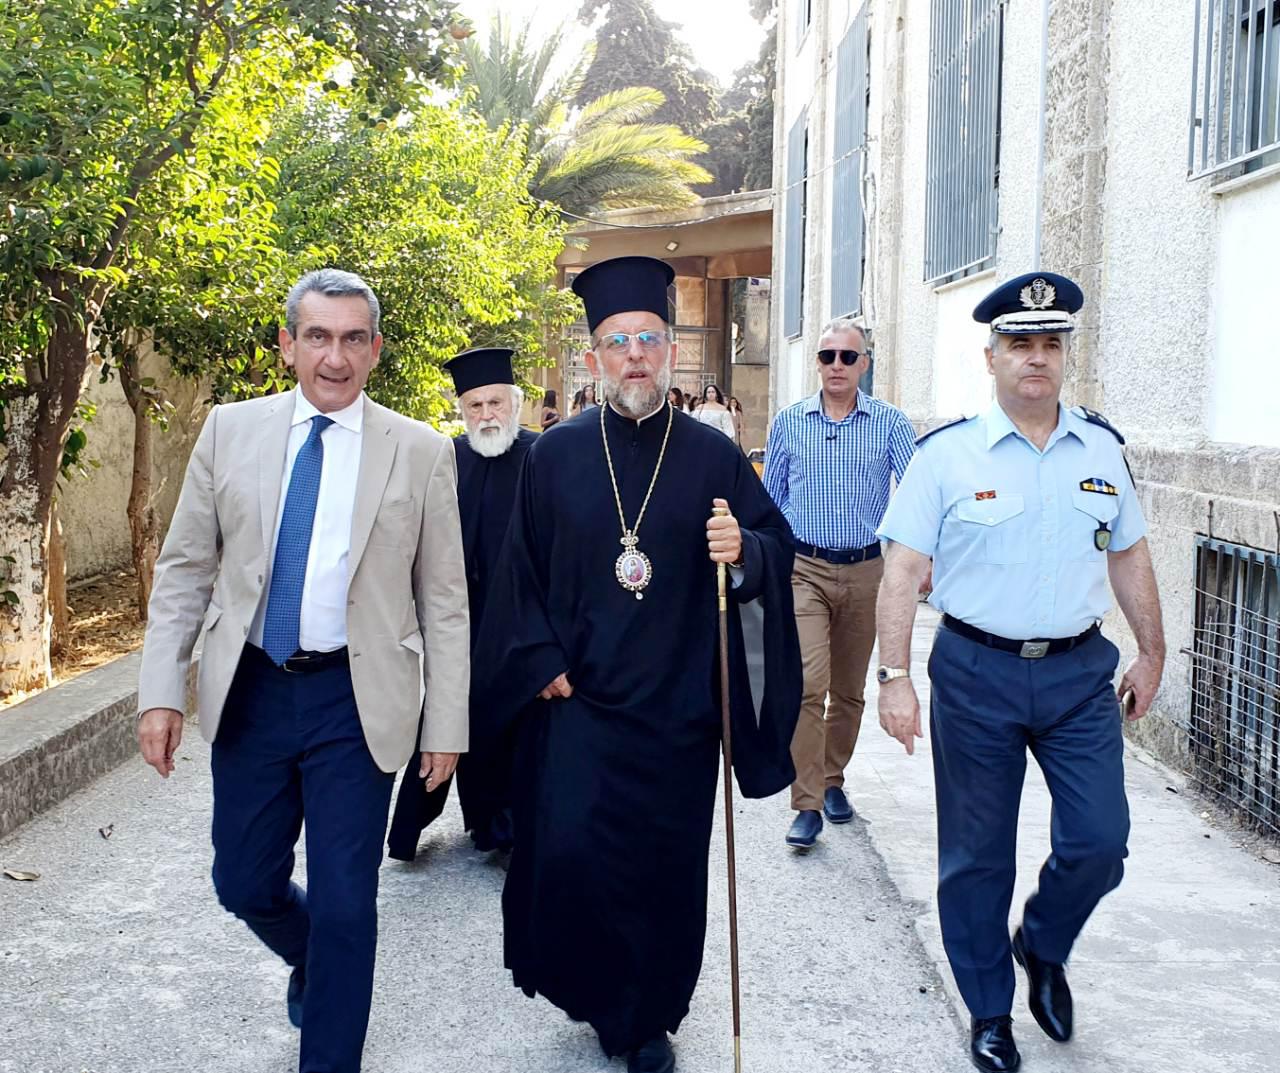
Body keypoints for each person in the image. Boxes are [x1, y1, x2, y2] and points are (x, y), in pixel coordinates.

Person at [135, 269, 470, 1073]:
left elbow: (445, 599)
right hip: (252, 689)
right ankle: (315, 959)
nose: (335, 357)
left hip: (356, 699)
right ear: (288, 345)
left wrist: (447, 724)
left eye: (353, 338)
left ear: (375, 350)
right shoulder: (229, 430)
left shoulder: (420, 451)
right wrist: (160, 692)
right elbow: (184, 570)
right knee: (243, 881)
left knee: (349, 902)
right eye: (317, 336)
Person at [473, 255, 801, 1073]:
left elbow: (775, 545)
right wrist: (538, 655)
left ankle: (648, 1017)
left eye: (649, 340)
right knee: (574, 857)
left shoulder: (712, 456)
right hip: (578, 703)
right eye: (617, 342)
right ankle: (596, 995)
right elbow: (518, 570)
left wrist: (744, 549)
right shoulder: (554, 455)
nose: (634, 357)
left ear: (670, 352)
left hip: (678, 709)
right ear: (594, 357)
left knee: (664, 871)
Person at [874, 272, 1165, 1073]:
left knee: (1101, 839)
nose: (1036, 357)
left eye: (1050, 343)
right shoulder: (946, 455)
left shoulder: (1101, 450)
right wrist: (893, 675)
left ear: (1065, 355)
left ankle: (1041, 940)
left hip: (1078, 675)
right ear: (991, 356)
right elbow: (902, 570)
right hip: (975, 672)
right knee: (977, 856)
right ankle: (990, 1010)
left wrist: (1151, 650)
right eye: (1020, 343)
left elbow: (1130, 553)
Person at [762, 318, 916, 849]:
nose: (836, 366)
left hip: (867, 571)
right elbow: (771, 501)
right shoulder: (789, 422)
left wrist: (920, 559)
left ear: (863, 364)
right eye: (827, 356)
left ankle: (832, 779)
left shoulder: (890, 423)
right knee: (809, 685)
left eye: (848, 357)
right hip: (803, 569)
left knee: (848, 692)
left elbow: (916, 494)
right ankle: (806, 803)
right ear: (817, 362)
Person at [387, 347, 537, 860]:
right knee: (458, 713)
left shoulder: (542, 456)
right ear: (462, 411)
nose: (487, 415)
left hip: (523, 618)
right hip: (462, 618)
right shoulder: (445, 459)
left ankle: (510, 827)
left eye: (496, 403)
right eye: (475, 406)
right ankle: (481, 820)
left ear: (515, 404)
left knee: (518, 723)